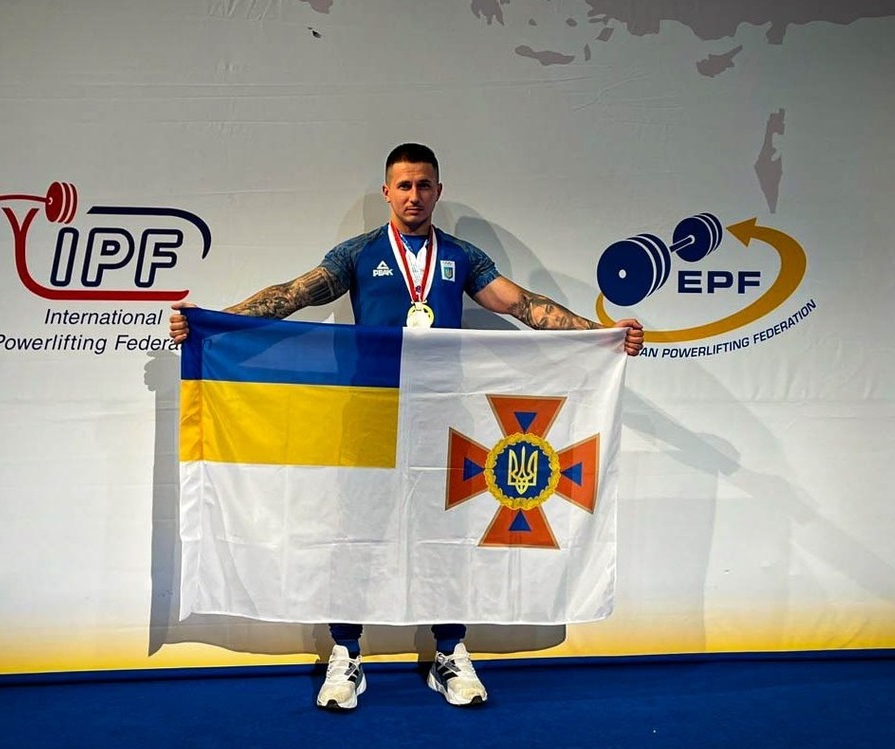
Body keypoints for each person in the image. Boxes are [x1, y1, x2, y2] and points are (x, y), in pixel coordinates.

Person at [170, 143, 645, 711]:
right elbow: (291, 296)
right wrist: (214, 322)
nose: (414, 195)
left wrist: (600, 332)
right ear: (386, 193)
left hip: (444, 415)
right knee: (356, 533)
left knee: (447, 530)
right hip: (369, 412)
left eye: (423, 185)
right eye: (403, 186)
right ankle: (346, 654)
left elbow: (520, 304)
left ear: (438, 191)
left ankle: (450, 652)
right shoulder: (358, 253)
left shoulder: (461, 256)